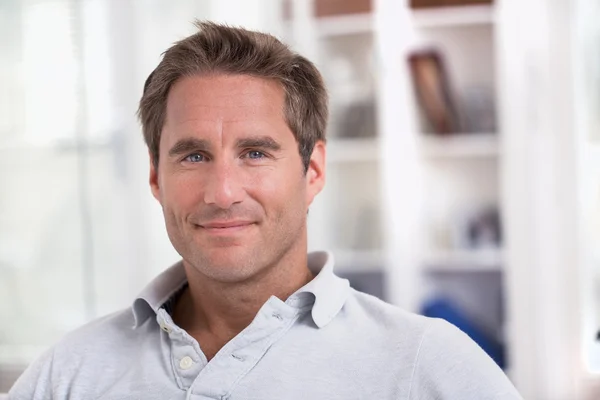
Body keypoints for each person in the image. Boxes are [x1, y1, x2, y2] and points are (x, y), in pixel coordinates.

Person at [9, 21, 521, 399]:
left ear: (313, 171)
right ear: (154, 176)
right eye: (193, 155)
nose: (223, 191)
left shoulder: (427, 365)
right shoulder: (68, 374)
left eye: (255, 153)